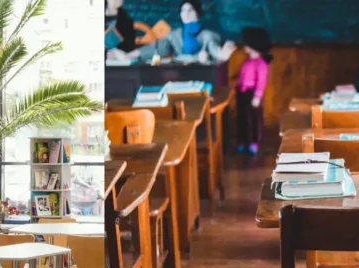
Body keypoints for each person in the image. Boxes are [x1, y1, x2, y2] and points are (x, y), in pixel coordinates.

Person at [115, 0, 235, 64]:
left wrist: (223, 54)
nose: (186, 14)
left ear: (198, 13)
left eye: (190, 10)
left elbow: (217, 52)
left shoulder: (208, 35)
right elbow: (156, 48)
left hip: (203, 76)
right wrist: (127, 56)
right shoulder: (175, 35)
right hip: (178, 75)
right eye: (183, 11)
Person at [235, 27, 272, 155]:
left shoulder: (261, 63)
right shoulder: (247, 61)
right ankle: (243, 140)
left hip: (252, 95)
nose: (244, 45)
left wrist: (257, 96)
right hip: (242, 93)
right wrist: (238, 85)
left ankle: (253, 142)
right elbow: (242, 76)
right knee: (242, 118)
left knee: (254, 119)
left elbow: (261, 82)